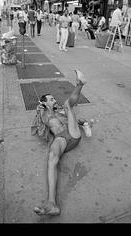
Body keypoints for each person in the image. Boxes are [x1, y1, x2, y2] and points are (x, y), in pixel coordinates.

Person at [31, 69, 92, 216]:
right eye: (51, 99)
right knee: (52, 158)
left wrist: (84, 123)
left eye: (53, 99)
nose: (54, 100)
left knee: (67, 105)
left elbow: (73, 117)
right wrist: (40, 109)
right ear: (44, 103)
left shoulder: (61, 111)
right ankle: (52, 203)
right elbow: (38, 127)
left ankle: (80, 84)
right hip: (61, 140)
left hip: (73, 133)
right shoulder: (43, 114)